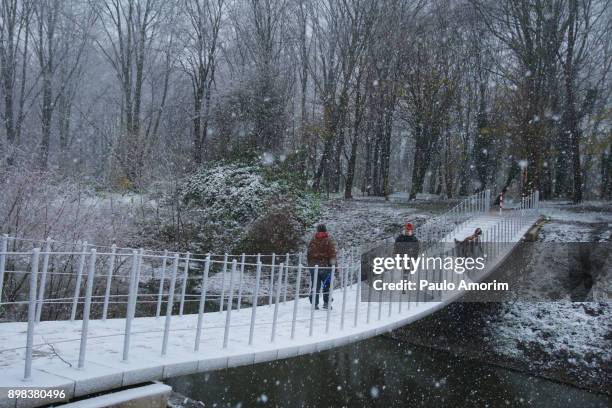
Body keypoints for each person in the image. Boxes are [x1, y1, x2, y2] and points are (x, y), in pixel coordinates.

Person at [307, 224, 337, 309]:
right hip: (325, 266)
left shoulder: (312, 241)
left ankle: (314, 303)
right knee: (327, 285)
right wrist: (334, 267)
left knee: (315, 286)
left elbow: (308, 254)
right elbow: (332, 255)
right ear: (325, 230)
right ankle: (327, 303)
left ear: (317, 231)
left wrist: (310, 266)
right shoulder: (328, 241)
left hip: (313, 266)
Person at [394, 223, 419, 292]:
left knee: (406, 271)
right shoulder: (400, 238)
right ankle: (405, 284)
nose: (408, 231)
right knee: (404, 271)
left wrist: (415, 259)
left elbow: (416, 249)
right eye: (407, 230)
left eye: (409, 230)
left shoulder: (414, 239)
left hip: (409, 257)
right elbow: (396, 247)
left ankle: (404, 284)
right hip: (401, 257)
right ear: (405, 229)